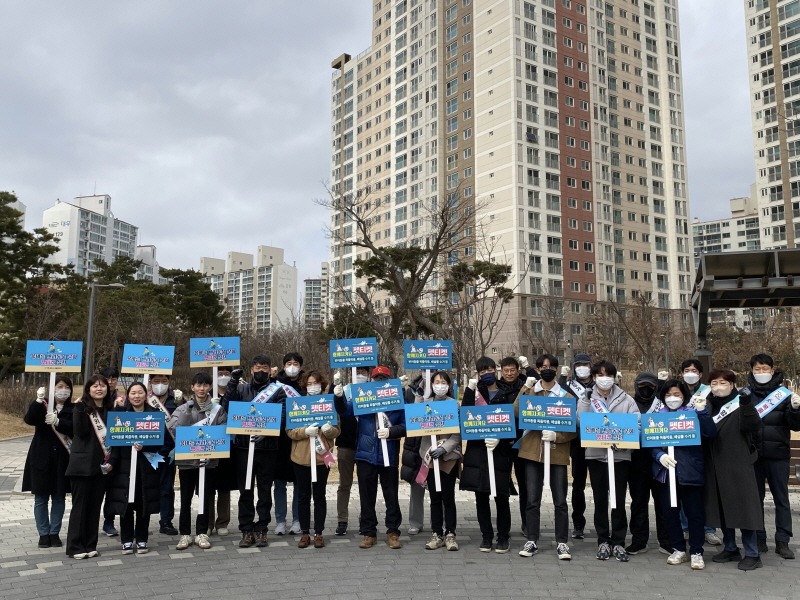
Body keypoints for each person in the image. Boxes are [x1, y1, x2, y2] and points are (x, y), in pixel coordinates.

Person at [334, 365, 406, 549]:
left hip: (388, 454)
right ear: (371, 380)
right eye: (377, 378)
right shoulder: (362, 397)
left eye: (384, 379)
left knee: (391, 495)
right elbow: (344, 411)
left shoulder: (397, 399)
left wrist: (391, 431)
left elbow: (407, 425)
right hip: (366, 454)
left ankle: (393, 531)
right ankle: (368, 532)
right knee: (367, 495)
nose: (379, 382)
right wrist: (339, 396)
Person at [514, 354, 576, 560]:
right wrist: (525, 388)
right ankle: (532, 539)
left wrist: (557, 436)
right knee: (532, 499)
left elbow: (573, 429)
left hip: (557, 454)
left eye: (551, 366)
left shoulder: (566, 397)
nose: (547, 369)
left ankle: (562, 542)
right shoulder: (531, 392)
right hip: (532, 453)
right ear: (538, 370)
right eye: (543, 367)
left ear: (556, 370)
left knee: (560, 501)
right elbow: (516, 411)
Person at [577, 360, 640, 563]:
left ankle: (619, 541)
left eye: (608, 375)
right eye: (600, 375)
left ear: (614, 377)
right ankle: (603, 540)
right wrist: (586, 401)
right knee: (600, 499)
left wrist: (624, 442)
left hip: (620, 457)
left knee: (619, 500)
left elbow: (636, 425)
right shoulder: (587, 397)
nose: (604, 378)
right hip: (596, 456)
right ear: (594, 377)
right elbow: (580, 421)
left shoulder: (626, 399)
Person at [650, 379, 716, 570]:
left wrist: (703, 413)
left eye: (677, 395)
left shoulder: (693, 415)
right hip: (665, 473)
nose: (673, 398)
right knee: (670, 513)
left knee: (695, 513)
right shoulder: (656, 417)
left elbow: (710, 434)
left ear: (684, 396)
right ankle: (678, 548)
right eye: (669, 395)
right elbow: (649, 442)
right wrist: (658, 455)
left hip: (690, 472)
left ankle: (696, 551)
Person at [703, 368, 765, 571]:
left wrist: (747, 406)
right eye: (714, 383)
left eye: (723, 383)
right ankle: (730, 547)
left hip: (738, 464)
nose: (718, 387)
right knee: (722, 508)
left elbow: (754, 425)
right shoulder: (708, 405)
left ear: (731, 384)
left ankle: (753, 553)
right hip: (715, 464)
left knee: (744, 509)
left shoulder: (741, 403)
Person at [225, 355, 285, 548]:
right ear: (251, 369)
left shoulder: (277, 391)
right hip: (243, 448)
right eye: (257, 367)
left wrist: (267, 432)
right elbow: (226, 406)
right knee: (245, 490)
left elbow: (283, 415)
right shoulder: (241, 389)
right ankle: (246, 529)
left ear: (270, 370)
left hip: (268, 449)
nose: (261, 370)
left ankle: (262, 528)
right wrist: (233, 381)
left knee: (265, 490)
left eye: (265, 367)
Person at [745, 353, 800, 559]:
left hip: (778, 455)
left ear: (773, 370)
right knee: (755, 499)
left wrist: (796, 410)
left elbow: (795, 425)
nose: (761, 373)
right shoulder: (745, 395)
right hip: (753, 456)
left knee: (781, 499)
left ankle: (783, 540)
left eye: (765, 369)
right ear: (752, 371)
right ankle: (759, 537)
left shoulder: (783, 395)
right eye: (757, 369)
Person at [401, 371, 463, 551]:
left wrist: (444, 448)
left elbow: (457, 435)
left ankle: (450, 533)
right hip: (428, 458)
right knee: (435, 498)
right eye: (436, 382)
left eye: (443, 382)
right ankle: (437, 533)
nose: (440, 385)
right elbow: (416, 420)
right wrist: (420, 394)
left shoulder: (454, 405)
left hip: (447, 459)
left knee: (448, 498)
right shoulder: (425, 402)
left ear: (448, 385)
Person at [460, 357, 516, 553]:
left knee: (501, 496)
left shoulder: (506, 392)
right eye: (482, 371)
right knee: (481, 496)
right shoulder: (475, 393)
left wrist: (501, 439)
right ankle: (486, 536)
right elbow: (464, 418)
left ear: (496, 370)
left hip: (500, 452)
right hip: (477, 451)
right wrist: (469, 390)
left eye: (490, 369)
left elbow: (513, 421)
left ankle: (503, 537)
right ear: (477, 373)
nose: (486, 373)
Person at [167, 372, 227, 551]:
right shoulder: (183, 408)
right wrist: (186, 408)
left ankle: (202, 532)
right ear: (192, 387)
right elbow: (175, 429)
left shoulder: (218, 409)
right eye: (198, 385)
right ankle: (185, 533)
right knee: (185, 498)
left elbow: (222, 432)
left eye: (205, 385)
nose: (201, 389)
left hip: (208, 461)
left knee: (206, 497)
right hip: (186, 461)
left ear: (209, 387)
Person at [106, 382, 166, 554]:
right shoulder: (120, 415)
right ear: (127, 395)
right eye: (133, 393)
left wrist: (145, 447)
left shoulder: (154, 415)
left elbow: (160, 443)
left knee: (143, 504)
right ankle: (126, 539)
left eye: (140, 392)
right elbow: (115, 445)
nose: (136, 396)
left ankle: (141, 539)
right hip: (125, 468)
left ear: (146, 395)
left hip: (146, 467)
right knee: (126, 504)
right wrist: (111, 464)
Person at [287, 370, 340, 548]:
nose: (312, 387)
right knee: (303, 496)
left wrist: (328, 430)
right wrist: (304, 431)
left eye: (315, 383)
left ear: (322, 385)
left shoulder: (328, 403)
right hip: (300, 459)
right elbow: (290, 431)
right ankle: (304, 533)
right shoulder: (297, 405)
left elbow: (336, 429)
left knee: (319, 496)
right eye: (309, 384)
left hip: (321, 458)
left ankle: (318, 532)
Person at [64, 374, 112, 559]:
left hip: (102, 466)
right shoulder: (81, 407)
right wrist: (81, 408)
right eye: (95, 386)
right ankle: (75, 546)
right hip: (82, 466)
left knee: (94, 507)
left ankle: (90, 544)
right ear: (88, 389)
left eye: (102, 386)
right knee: (80, 507)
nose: (99, 389)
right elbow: (80, 432)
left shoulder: (111, 409)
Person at [22, 377, 74, 548]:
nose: (63, 390)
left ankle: (54, 533)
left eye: (67, 387)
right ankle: (43, 534)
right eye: (60, 386)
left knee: (59, 497)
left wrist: (59, 422)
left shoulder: (73, 408)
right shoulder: (43, 405)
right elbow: (29, 419)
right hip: (41, 456)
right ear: (53, 389)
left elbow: (75, 429)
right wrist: (37, 401)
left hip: (62, 458)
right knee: (41, 498)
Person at [626, 372, 671, 555]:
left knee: (663, 503)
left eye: (651, 387)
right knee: (638, 502)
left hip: (660, 461)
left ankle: (667, 541)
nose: (646, 389)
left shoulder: (662, 405)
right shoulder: (628, 404)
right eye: (643, 385)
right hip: (635, 461)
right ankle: (639, 540)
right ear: (636, 386)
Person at [560, 352, 593, 539]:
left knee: (600, 485)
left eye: (585, 364)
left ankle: (601, 522)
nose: (582, 367)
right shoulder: (569, 387)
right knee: (578, 483)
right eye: (579, 364)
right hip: (577, 440)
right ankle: (578, 523)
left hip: (598, 439)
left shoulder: (600, 385)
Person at [148, 373, 183, 536]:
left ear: (169, 382)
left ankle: (166, 521)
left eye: (164, 381)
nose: (160, 384)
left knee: (166, 488)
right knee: (145, 488)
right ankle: (143, 521)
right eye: (156, 381)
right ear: (150, 383)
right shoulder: (143, 398)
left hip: (168, 452)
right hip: (147, 452)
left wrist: (181, 402)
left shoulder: (176, 400)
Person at [273, 352, 304, 535]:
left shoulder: (306, 383)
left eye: (296, 363)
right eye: (289, 362)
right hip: (279, 439)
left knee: (299, 481)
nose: (292, 366)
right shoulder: (275, 383)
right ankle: (280, 521)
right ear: (283, 365)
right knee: (279, 483)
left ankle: (298, 519)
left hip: (300, 437)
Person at [333, 367, 366, 536]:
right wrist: (337, 394)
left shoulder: (371, 392)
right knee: (344, 484)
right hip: (346, 445)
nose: (360, 375)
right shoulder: (344, 392)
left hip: (365, 446)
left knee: (365, 485)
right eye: (357, 371)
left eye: (363, 372)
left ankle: (365, 519)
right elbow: (341, 410)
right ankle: (342, 520)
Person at [498, 357, 528, 536]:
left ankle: (527, 524)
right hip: (501, 443)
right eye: (506, 370)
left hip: (523, 441)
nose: (509, 374)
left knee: (525, 485)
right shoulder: (495, 387)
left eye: (512, 370)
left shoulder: (527, 386)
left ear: (518, 370)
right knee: (502, 486)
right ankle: (504, 528)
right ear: (501, 371)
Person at [209, 365, 236, 537]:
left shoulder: (236, 393)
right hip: (208, 445)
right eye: (221, 373)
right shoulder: (207, 392)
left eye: (227, 373)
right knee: (209, 486)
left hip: (229, 444)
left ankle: (222, 522)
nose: (223, 376)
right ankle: (208, 522)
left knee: (224, 487)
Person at [99, 366, 122, 537]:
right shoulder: (94, 400)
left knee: (112, 490)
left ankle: (109, 522)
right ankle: (91, 521)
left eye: (114, 378)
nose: (110, 381)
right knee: (95, 491)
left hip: (114, 450)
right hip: (96, 450)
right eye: (108, 378)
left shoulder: (122, 399)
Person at [404, 372, 427, 536]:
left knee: (439, 488)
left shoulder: (445, 390)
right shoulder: (411, 390)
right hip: (416, 445)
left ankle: (444, 522)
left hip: (438, 446)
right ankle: (415, 522)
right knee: (417, 486)